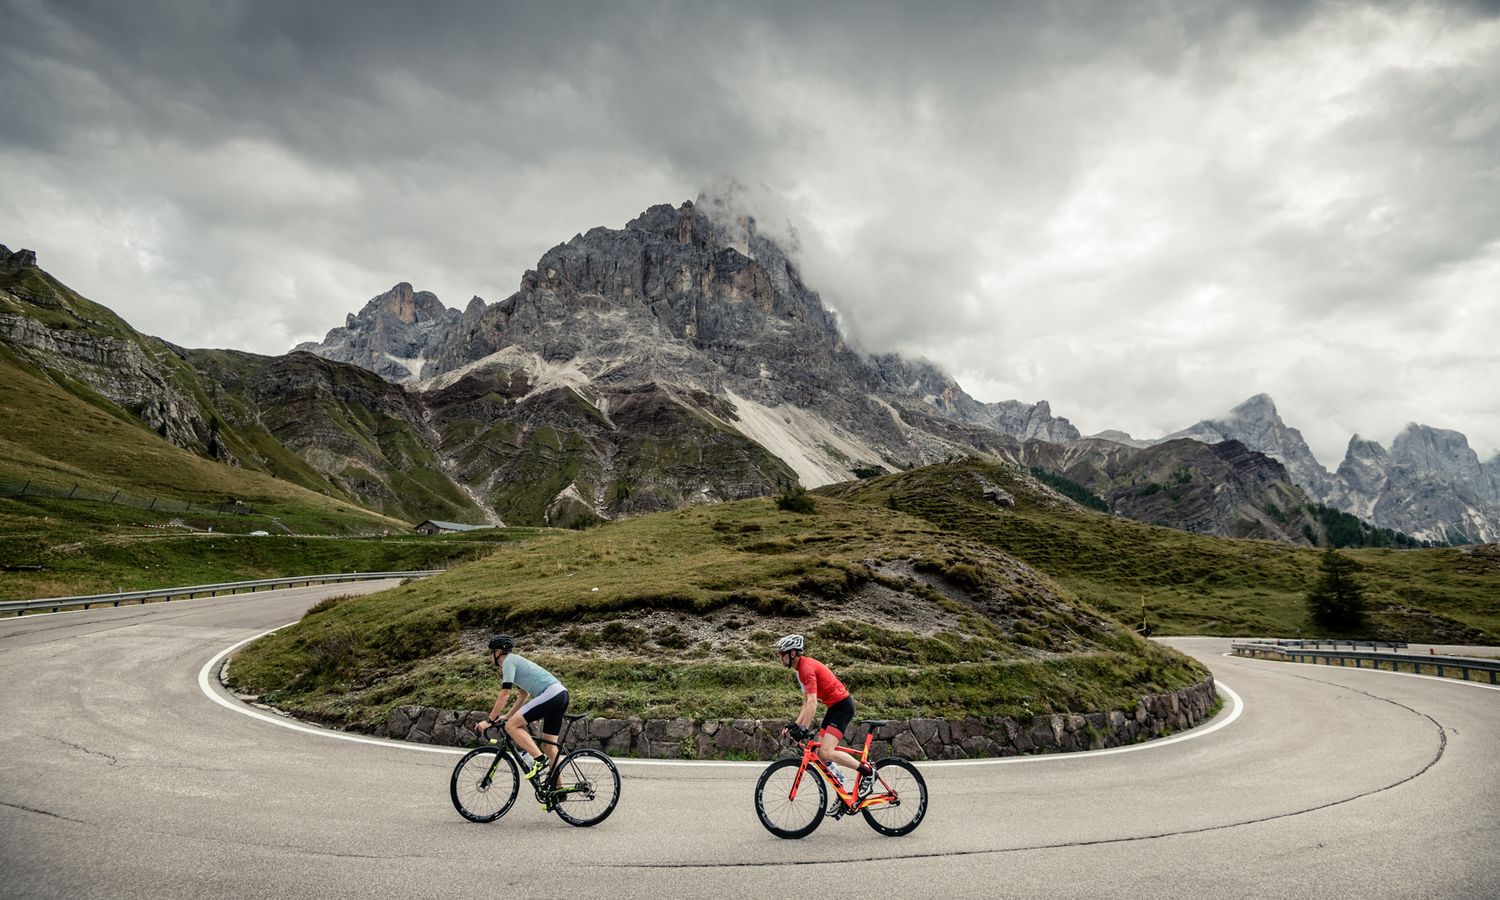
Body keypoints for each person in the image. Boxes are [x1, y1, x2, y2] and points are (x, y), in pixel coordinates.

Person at [776, 634, 872, 800]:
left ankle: (868, 772)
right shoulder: (800, 672)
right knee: (821, 754)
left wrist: (804, 728)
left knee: (827, 751)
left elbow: (813, 703)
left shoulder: (806, 669)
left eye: (781, 653)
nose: (779, 657)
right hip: (834, 707)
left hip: (843, 706)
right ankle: (843, 794)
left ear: (792, 654)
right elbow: (806, 702)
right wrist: (795, 725)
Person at [473, 635, 569, 784]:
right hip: (560, 695)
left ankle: (539, 759)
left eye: (491, 652)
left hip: (551, 694)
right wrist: (508, 715)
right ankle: (559, 791)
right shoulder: (516, 661)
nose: (490, 656)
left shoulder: (508, 662)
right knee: (549, 748)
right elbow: (524, 695)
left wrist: (489, 720)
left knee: (511, 726)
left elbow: (505, 694)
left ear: (498, 652)